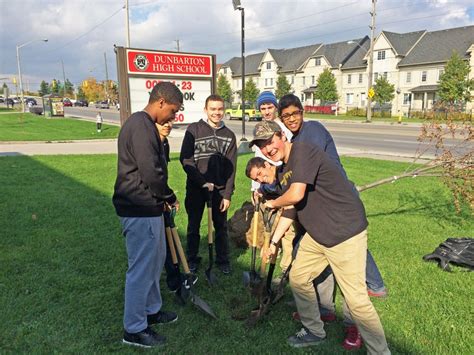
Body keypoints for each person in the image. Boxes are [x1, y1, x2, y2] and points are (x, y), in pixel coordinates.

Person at [249, 120, 390, 354]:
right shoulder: (284, 171)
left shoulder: (302, 150)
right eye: (262, 146)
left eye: (270, 141)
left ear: (281, 136)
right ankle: (314, 330)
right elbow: (291, 209)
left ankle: (381, 352)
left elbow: (296, 194)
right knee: (299, 276)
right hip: (319, 235)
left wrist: (272, 202)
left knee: (356, 300)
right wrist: (273, 242)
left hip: (344, 232)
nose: (267, 148)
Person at [112, 82, 183, 348]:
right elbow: (150, 172)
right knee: (141, 269)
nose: (173, 117)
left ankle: (151, 311)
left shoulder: (143, 125)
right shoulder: (141, 125)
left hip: (149, 207)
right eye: (173, 111)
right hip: (138, 207)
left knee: (155, 263)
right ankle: (133, 328)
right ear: (161, 102)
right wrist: (168, 195)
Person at [180, 94, 237, 274]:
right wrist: (202, 182)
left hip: (219, 190)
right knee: (193, 225)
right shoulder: (194, 130)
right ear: (206, 110)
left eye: (220, 109)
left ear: (224, 110)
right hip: (197, 188)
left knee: (220, 227)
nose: (216, 112)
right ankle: (192, 258)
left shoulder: (229, 136)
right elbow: (186, 159)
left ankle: (222, 260)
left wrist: (227, 195)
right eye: (213, 109)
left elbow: (232, 168)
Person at [155, 119, 197, 292]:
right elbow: (153, 176)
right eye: (163, 122)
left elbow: (162, 176)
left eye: (170, 122)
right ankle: (171, 279)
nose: (167, 125)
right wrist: (169, 196)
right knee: (160, 244)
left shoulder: (164, 144)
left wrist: (165, 196)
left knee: (167, 240)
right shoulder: (151, 144)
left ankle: (175, 280)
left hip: (161, 196)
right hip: (149, 201)